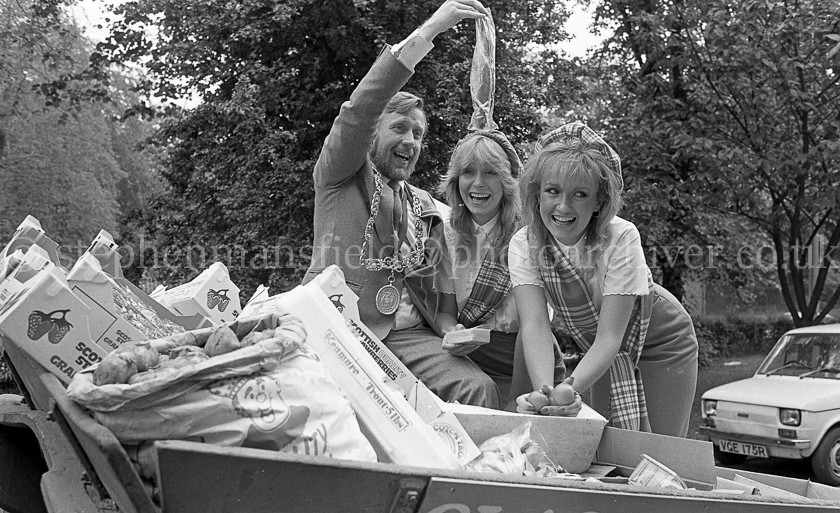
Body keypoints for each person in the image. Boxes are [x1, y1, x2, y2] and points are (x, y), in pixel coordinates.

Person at [303, 0, 501, 409]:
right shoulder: (340, 176)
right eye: (399, 128)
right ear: (373, 135)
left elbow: (441, 298)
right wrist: (432, 29)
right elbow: (360, 110)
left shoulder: (427, 208)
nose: (410, 141)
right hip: (341, 327)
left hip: (409, 337)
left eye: (418, 133)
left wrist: (450, 330)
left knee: (478, 388)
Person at [509, 121, 699, 436]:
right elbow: (535, 326)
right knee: (606, 448)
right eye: (553, 191)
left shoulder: (621, 237)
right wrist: (547, 394)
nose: (563, 206)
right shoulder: (523, 244)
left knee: (661, 451)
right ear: (537, 194)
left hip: (661, 342)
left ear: (598, 201)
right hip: (596, 348)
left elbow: (610, 336)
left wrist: (571, 386)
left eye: (580, 194)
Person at [438, 129, 549, 408]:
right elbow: (444, 312)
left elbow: (536, 324)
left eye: (490, 172)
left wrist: (522, 395)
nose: (478, 183)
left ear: (507, 181)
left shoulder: (530, 236)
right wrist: (451, 332)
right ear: (456, 180)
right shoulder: (443, 235)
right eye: (468, 172)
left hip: (526, 364)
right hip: (467, 364)